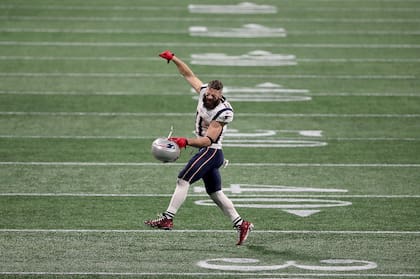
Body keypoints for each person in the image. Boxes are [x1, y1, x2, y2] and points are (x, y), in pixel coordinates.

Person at [144, 50, 253, 245]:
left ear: (220, 96)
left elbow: (207, 141)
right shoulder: (204, 92)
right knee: (215, 193)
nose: (209, 97)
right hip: (208, 153)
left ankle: (168, 218)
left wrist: (184, 141)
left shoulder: (224, 112)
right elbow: (188, 74)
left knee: (183, 180)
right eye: (209, 93)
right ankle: (241, 223)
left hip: (211, 152)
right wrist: (173, 58)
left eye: (214, 96)